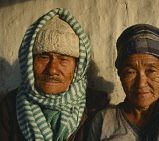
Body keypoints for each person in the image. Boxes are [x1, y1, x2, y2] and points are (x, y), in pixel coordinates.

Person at [0, 8, 109, 141]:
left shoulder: (97, 107)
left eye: (63, 59)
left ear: (78, 67)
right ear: (29, 63)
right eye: (44, 57)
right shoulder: (6, 108)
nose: (52, 70)